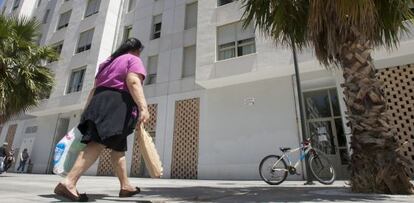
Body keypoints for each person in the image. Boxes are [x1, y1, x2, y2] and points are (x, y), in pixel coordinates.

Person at [54, 38, 150, 202]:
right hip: (117, 103)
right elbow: (133, 81)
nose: (140, 54)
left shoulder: (106, 63)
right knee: (97, 142)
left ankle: (125, 186)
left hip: (99, 101)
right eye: (140, 51)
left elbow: (95, 87)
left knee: (118, 147)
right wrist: (143, 107)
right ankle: (69, 182)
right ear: (136, 50)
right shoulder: (133, 59)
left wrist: (87, 110)